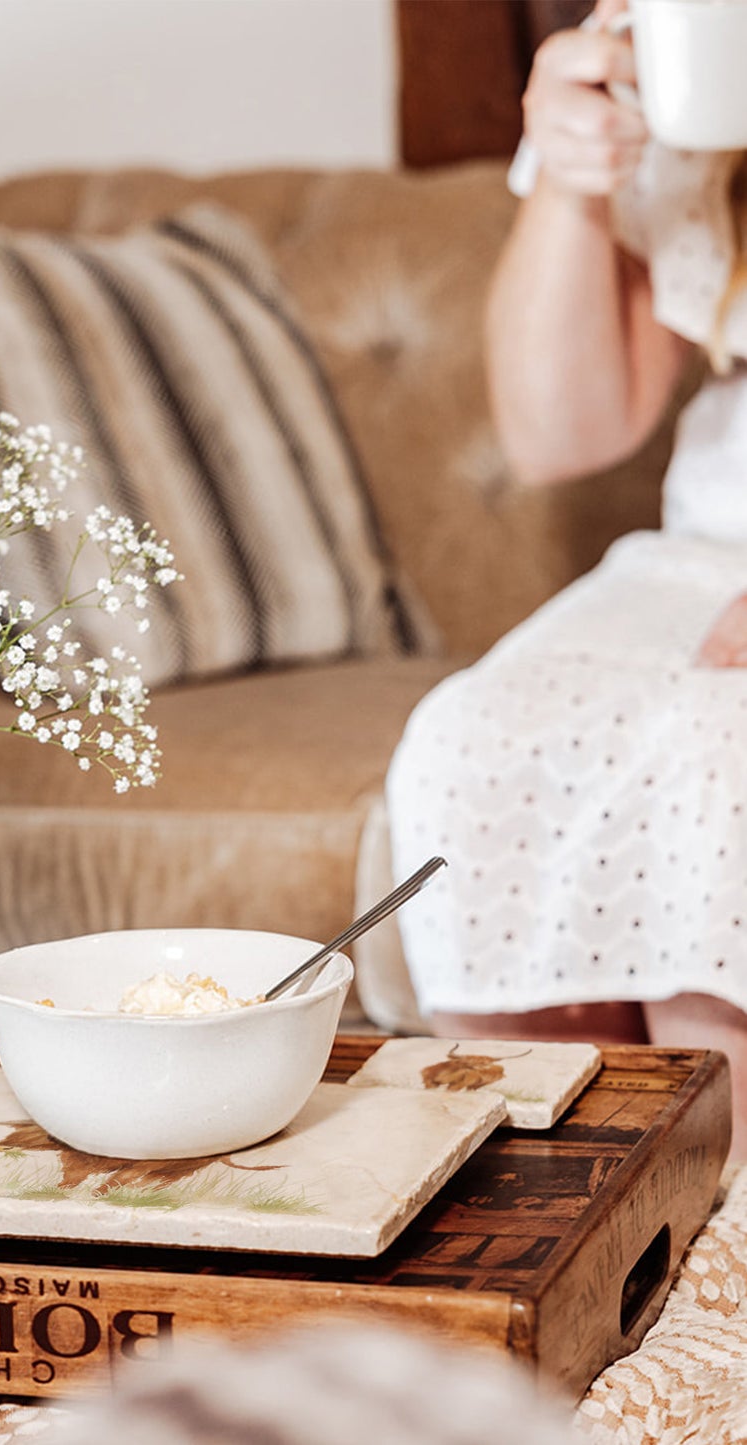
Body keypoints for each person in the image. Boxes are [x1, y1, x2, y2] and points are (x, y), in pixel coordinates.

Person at [385, 0, 747, 1161]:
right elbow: (557, 432)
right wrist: (567, 175)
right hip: (708, 549)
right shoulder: (699, 60)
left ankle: (723, 1271)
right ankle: (575, 1246)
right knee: (471, 739)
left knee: (718, 751)